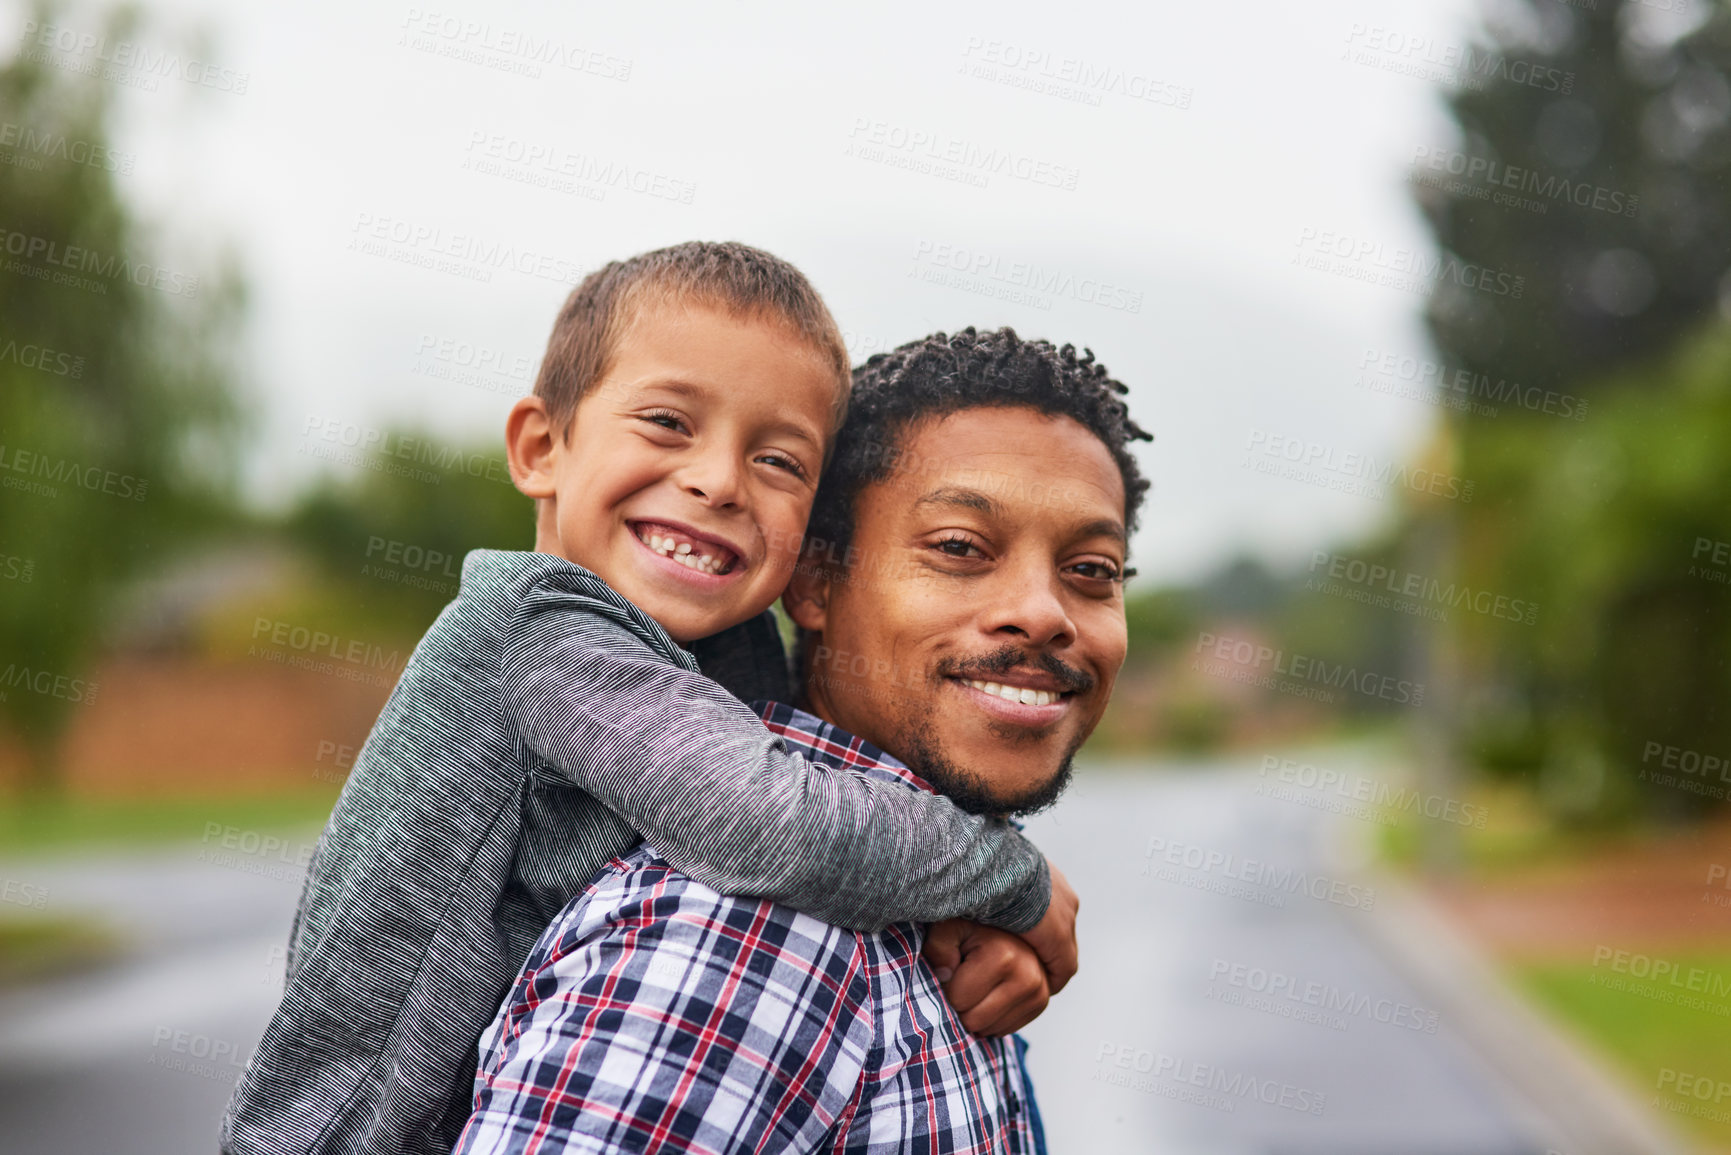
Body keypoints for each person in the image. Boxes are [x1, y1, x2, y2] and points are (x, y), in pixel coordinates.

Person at [222, 248, 1077, 1155]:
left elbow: (835, 794)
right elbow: (771, 823)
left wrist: (952, 916)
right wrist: (1013, 884)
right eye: (668, 422)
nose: (718, 481)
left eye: (779, 460)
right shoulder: (543, 631)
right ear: (541, 447)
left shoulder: (721, 644)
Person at [457, 327, 1151, 1153]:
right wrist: (1016, 881)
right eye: (960, 548)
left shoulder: (910, 906)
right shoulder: (753, 936)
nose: (1044, 611)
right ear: (815, 579)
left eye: (1092, 570)